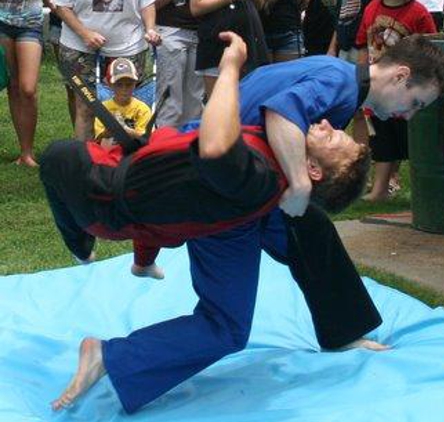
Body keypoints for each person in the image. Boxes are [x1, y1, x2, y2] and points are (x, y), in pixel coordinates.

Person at [45, 32, 379, 412]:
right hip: (102, 192)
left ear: (315, 169)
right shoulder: (264, 172)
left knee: (238, 313)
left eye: (335, 137)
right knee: (227, 323)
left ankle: (110, 341)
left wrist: (230, 67)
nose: (327, 124)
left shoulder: (263, 173)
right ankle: (99, 309)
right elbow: (219, 144)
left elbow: (217, 145)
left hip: (134, 194)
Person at [354, 0, 437, 201]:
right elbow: (363, 46)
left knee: (412, 141)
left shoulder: (419, 12)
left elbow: (433, 48)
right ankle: (379, 190)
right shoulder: (371, 8)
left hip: (407, 91)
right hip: (379, 90)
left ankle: (424, 189)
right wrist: (362, 76)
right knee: (382, 141)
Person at [55, 0, 161, 141]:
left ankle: (129, 158)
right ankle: (85, 157)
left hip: (129, 45)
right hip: (80, 46)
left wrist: (150, 29)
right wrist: (84, 33)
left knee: (129, 104)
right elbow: (62, 6)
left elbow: (147, 4)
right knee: (86, 107)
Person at [0, 0, 55, 166]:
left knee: (28, 89)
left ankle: (28, 153)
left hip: (31, 24)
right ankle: (25, 153)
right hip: (2, 22)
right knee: (14, 87)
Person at [190, 0, 268, 97]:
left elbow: (259, 5)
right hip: (217, 44)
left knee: (250, 102)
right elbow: (196, 8)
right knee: (219, 102)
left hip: (250, 40)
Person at [154, 0, 205, 127]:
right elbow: (147, 5)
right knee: (170, 98)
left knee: (195, 101)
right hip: (169, 29)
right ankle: (164, 143)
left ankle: (189, 143)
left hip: (201, 32)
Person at [94, 58, 152, 143]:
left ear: (135, 84)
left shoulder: (142, 109)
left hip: (135, 150)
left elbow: (145, 139)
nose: (124, 89)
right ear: (110, 85)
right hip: (110, 151)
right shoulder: (104, 109)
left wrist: (126, 131)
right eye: (119, 85)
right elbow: (98, 139)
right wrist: (108, 131)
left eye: (129, 85)